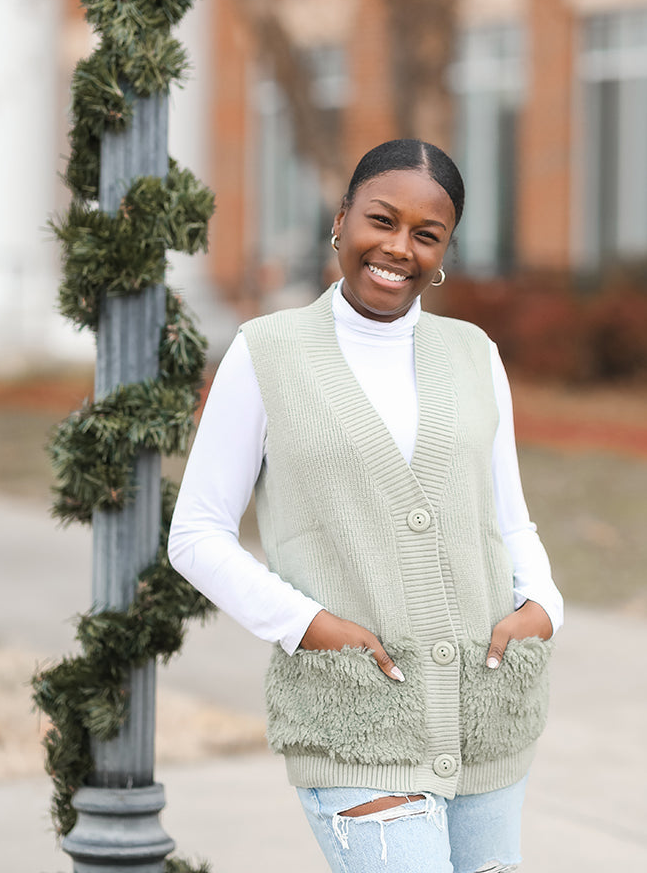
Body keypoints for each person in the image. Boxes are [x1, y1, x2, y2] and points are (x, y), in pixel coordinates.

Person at [169, 138, 563, 873]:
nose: (397, 248)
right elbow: (195, 534)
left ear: (444, 249)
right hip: (359, 721)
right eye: (380, 220)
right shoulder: (265, 352)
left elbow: (508, 517)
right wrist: (308, 626)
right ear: (340, 219)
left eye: (425, 233)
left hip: (485, 717)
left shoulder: (473, 351)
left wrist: (541, 605)